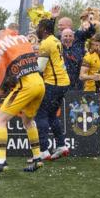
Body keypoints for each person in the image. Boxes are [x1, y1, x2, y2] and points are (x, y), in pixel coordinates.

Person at [0, 28, 45, 177]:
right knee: (28, 121)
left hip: (26, 86)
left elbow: (4, 79)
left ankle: (1, 162)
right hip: (39, 83)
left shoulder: (1, 46)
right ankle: (37, 158)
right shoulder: (23, 38)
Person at [35, 15, 71, 161]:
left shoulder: (45, 43)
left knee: (41, 115)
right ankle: (61, 145)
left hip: (53, 84)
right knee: (51, 115)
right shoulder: (56, 40)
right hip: (63, 82)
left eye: (38, 28)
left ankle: (44, 150)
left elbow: (40, 68)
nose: (37, 30)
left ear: (43, 30)